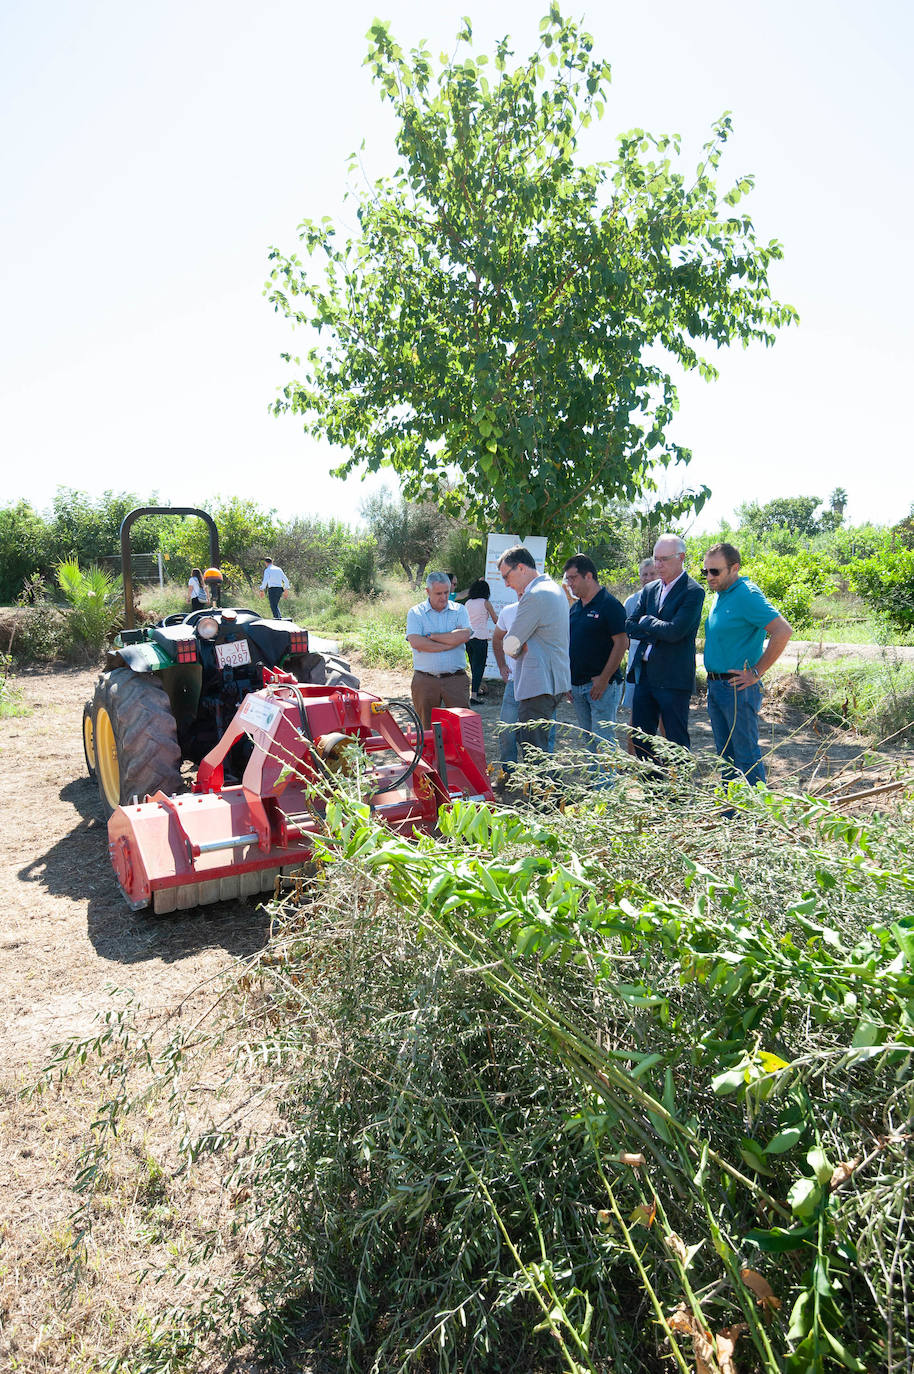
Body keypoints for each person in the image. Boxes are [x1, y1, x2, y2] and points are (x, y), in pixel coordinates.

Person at [701, 542, 793, 786]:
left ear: (734, 568)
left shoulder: (746, 594)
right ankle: (732, 816)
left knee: (746, 755)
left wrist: (756, 672)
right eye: (706, 572)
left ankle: (757, 816)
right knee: (725, 757)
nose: (709, 577)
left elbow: (782, 631)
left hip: (736, 689)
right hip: (716, 687)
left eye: (715, 571)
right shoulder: (721, 595)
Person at [624, 534, 705, 759]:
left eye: (664, 559)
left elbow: (675, 631)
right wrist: (657, 627)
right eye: (656, 558)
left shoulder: (693, 591)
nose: (658, 565)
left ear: (681, 557)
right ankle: (654, 790)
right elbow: (630, 625)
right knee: (640, 738)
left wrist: (647, 622)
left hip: (673, 678)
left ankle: (678, 792)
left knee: (675, 741)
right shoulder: (651, 590)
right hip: (646, 675)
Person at [497, 546, 570, 760]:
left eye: (506, 577)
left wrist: (519, 646)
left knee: (534, 752)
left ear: (521, 568)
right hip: (551, 683)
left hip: (537, 685)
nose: (506, 584)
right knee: (540, 746)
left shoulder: (534, 595)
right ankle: (545, 790)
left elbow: (510, 645)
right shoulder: (554, 589)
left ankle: (542, 793)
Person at [562, 555, 629, 783]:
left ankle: (608, 788)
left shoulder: (610, 605)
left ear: (588, 576)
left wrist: (604, 678)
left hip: (603, 686)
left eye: (573, 578)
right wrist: (567, 681)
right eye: (568, 579)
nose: (569, 583)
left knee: (604, 737)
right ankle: (596, 784)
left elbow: (622, 643)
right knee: (588, 738)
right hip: (577, 685)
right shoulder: (575, 609)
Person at [406, 571, 473, 729]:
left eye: (446, 592)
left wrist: (432, 636)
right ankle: (430, 755)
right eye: (438, 593)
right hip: (425, 681)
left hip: (455, 679)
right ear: (427, 591)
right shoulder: (416, 613)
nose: (443, 597)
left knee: (462, 729)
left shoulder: (460, 610)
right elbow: (416, 642)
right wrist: (449, 643)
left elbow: (464, 635)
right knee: (427, 729)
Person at [464, 579, 497, 704]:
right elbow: (495, 620)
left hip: (469, 638)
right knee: (480, 666)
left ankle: (476, 690)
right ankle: (474, 696)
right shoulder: (485, 603)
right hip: (481, 638)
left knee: (473, 666)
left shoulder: (468, 603)